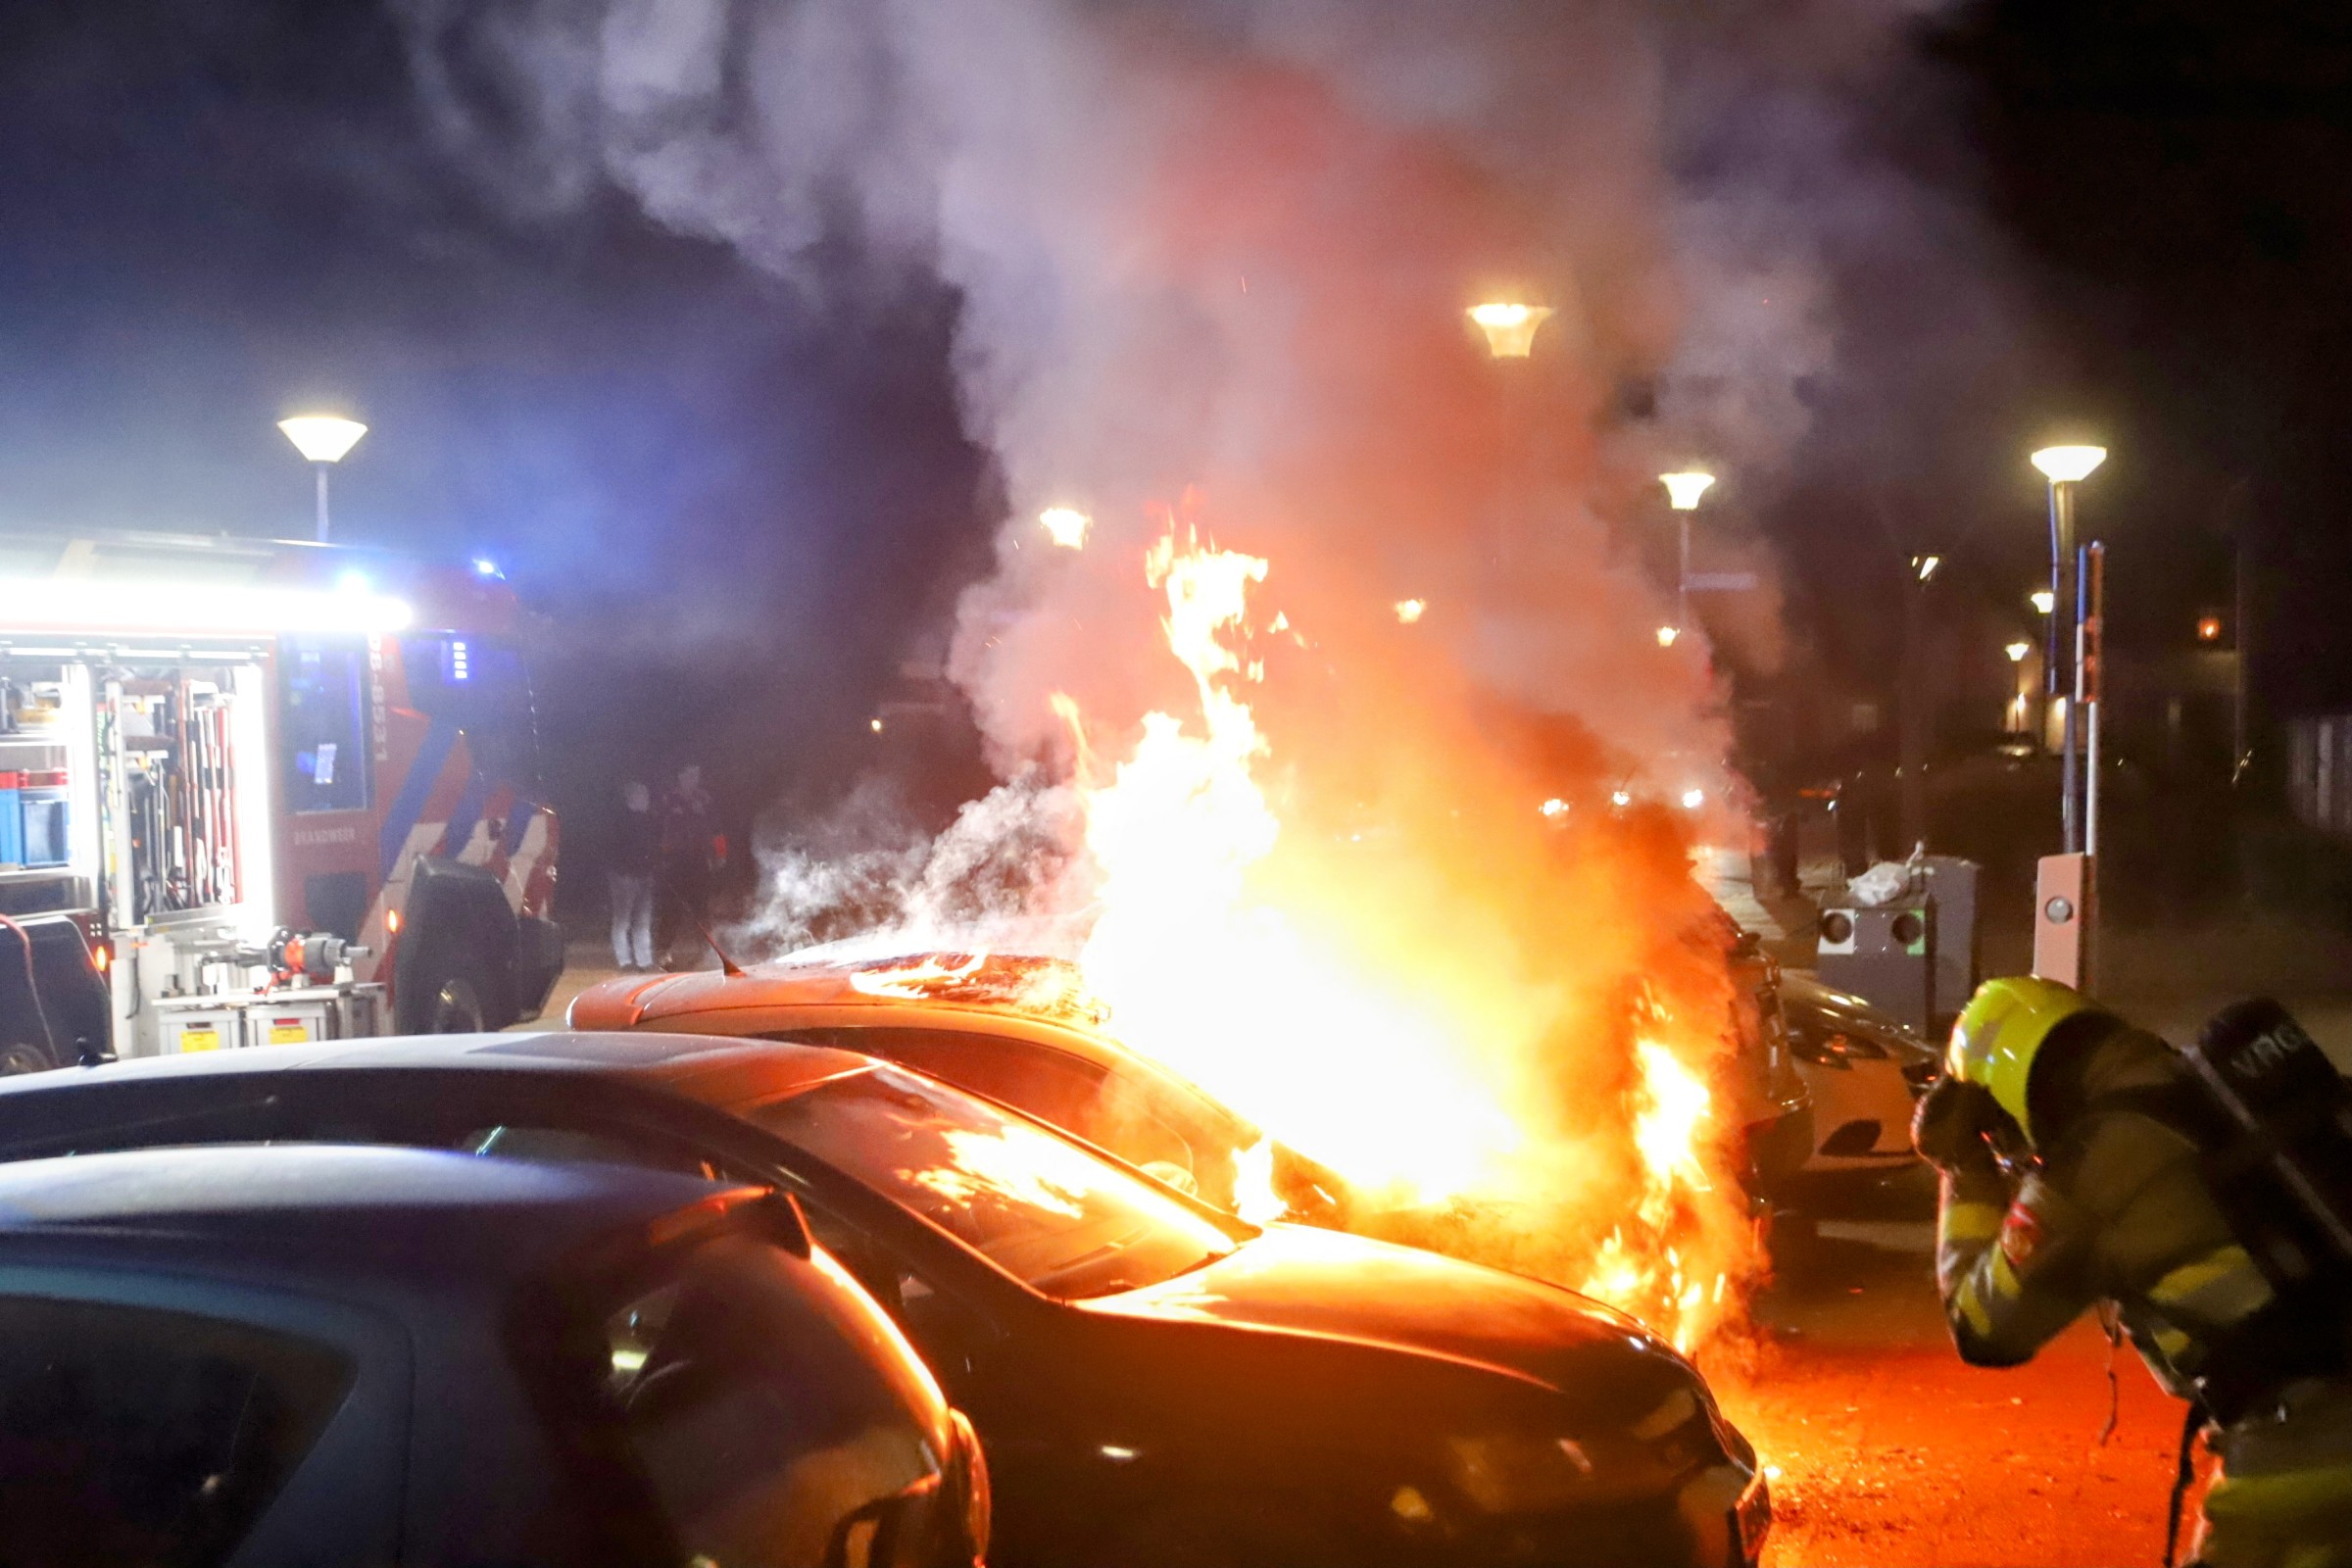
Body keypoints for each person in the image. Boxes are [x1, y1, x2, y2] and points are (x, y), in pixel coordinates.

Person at [1915, 977, 2352, 1566]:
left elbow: (1983, 1327)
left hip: (2303, 1453)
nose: (2007, 1149)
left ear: (2011, 1092)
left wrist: (1965, 1168)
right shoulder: (2199, 1087)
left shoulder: (2090, 1169)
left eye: (1995, 1129)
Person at [657, 763, 727, 968]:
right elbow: (659, 829)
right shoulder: (669, 800)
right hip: (675, 860)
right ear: (680, 776)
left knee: (701, 908)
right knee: (671, 908)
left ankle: (707, 951)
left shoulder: (704, 800)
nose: (693, 779)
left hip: (699, 861)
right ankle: (664, 952)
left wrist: (721, 854)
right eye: (689, 774)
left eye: (696, 775)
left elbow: (717, 829)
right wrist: (660, 856)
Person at [608, 781, 657, 972]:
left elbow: (653, 848)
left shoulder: (648, 820)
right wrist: (622, 871)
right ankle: (624, 961)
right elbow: (613, 849)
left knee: (643, 920)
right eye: (642, 795)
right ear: (632, 797)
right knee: (623, 920)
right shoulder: (620, 820)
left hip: (644, 875)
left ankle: (645, 961)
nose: (646, 798)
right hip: (624, 877)